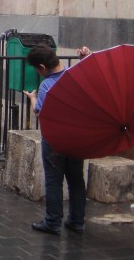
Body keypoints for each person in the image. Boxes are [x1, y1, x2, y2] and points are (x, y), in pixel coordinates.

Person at [23, 44, 91, 235]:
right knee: (76, 179)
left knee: (54, 181)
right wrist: (86, 57)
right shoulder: (74, 75)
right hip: (77, 138)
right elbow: (91, 72)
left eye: (37, 69)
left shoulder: (47, 85)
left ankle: (53, 222)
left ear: (42, 68)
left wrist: (33, 98)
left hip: (54, 142)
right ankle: (77, 221)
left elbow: (39, 112)